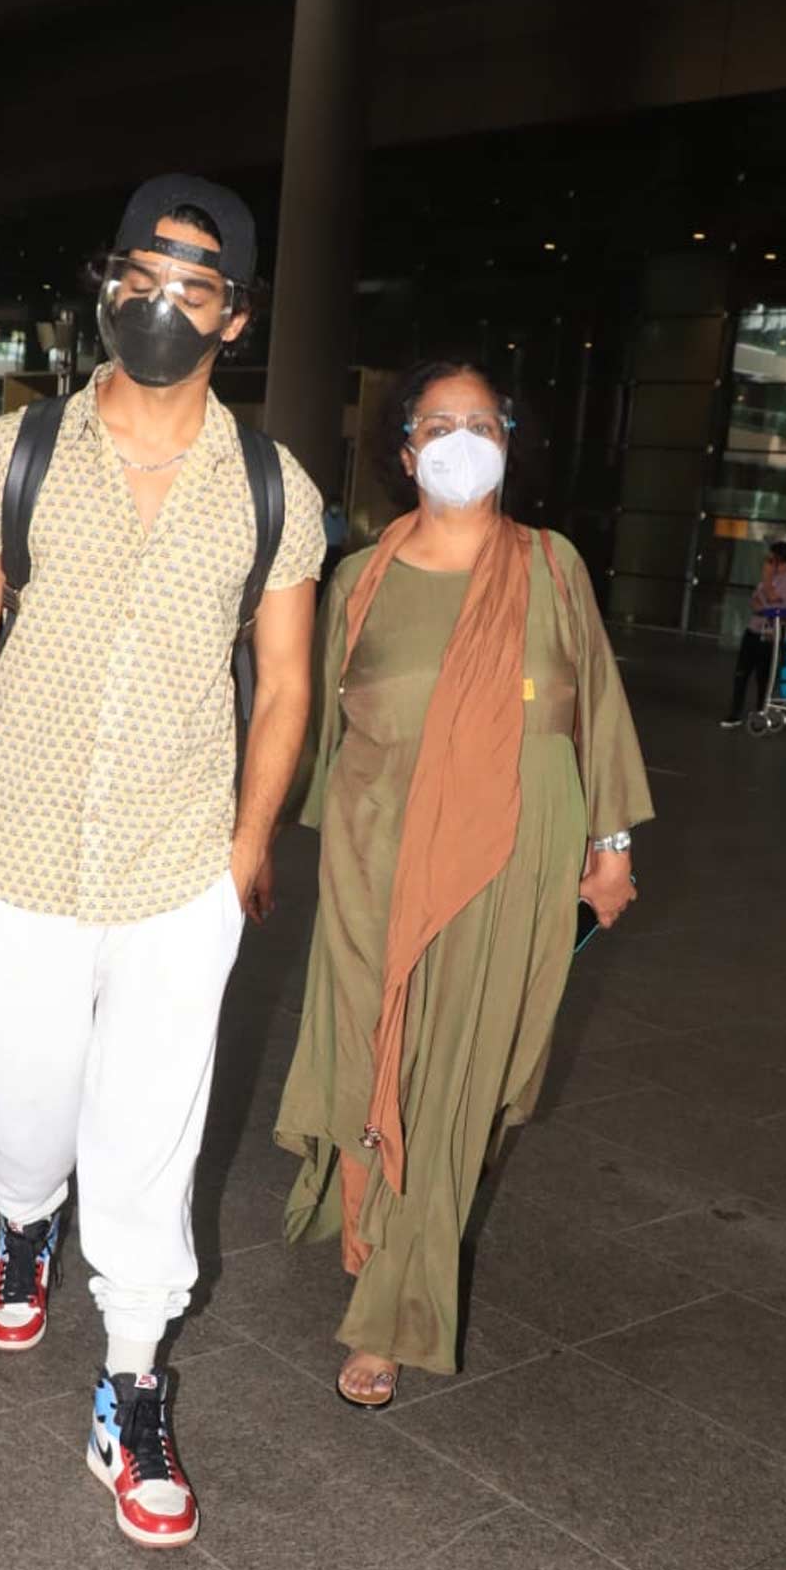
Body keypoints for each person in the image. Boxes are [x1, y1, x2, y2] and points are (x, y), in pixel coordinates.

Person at [0, 174, 324, 1548]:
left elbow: (283, 688)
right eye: (139, 272)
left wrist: (244, 852)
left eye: (194, 282)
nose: (160, 301)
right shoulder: (11, 452)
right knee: (24, 1121)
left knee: (150, 1147)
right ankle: (25, 1220)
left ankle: (133, 1384)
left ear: (238, 313)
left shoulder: (274, 488)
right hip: (16, 865)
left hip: (171, 874)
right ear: (106, 282)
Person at [274, 360, 653, 1407]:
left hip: (511, 856)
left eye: (478, 421)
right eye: (436, 422)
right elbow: (309, 721)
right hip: (373, 853)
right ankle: (377, 1212)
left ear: (505, 443)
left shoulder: (550, 566)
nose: (457, 436)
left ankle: (394, 1303)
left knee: (455, 1083)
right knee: (370, 1054)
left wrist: (609, 843)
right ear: (403, 451)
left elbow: (595, 712)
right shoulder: (359, 577)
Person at [720, 540, 786, 728]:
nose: (769, 563)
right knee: (742, 672)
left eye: (772, 559)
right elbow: (756, 601)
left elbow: (774, 600)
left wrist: (767, 580)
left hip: (771, 634)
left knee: (764, 676)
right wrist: (764, 604)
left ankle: (762, 714)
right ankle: (735, 712)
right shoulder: (769, 578)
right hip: (754, 629)